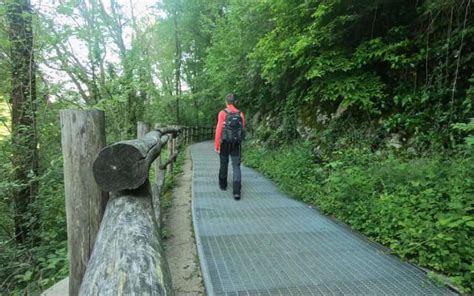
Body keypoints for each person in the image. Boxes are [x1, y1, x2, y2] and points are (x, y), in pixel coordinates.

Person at [214, 93, 246, 200]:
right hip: (236, 143)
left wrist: (217, 145)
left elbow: (219, 129)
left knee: (224, 163)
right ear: (234, 102)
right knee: (236, 165)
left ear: (226, 102)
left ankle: (223, 185)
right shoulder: (240, 114)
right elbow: (242, 129)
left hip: (224, 142)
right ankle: (237, 191)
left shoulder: (222, 113)